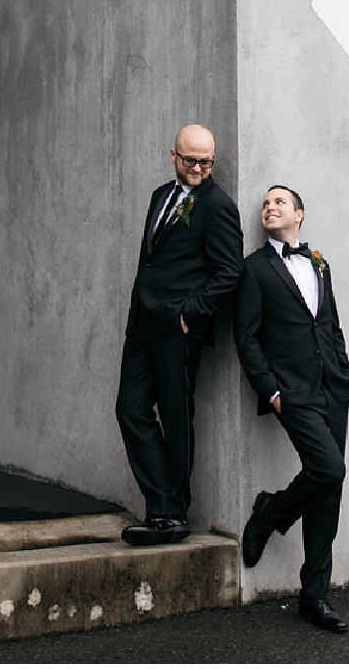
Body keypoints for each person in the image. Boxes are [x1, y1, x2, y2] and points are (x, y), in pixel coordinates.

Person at [234, 184, 349, 634]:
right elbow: (246, 338)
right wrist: (271, 391)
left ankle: (315, 596)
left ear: (299, 214)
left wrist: (345, 371)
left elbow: (332, 323)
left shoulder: (319, 263)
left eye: (279, 202)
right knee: (329, 470)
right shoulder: (254, 269)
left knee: (329, 494)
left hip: (333, 388)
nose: (270, 207)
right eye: (266, 203)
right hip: (293, 393)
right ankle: (268, 513)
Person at [116, 123, 244, 546]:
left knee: (176, 417)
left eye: (207, 162)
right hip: (142, 326)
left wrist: (190, 314)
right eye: (191, 160)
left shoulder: (218, 206)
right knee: (130, 409)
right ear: (173, 156)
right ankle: (163, 502)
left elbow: (230, 273)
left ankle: (171, 515)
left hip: (177, 330)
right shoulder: (159, 197)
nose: (199, 169)